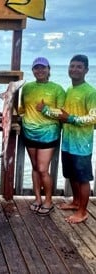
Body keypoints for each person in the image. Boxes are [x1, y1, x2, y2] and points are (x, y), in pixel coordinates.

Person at [37, 54, 96, 223]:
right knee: (72, 175)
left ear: (86, 70)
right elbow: (62, 113)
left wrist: (72, 119)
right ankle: (76, 202)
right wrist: (45, 110)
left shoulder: (91, 92)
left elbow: (94, 117)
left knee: (82, 178)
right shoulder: (70, 90)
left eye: (78, 67)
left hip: (82, 144)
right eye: (72, 66)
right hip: (68, 142)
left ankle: (83, 212)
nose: (74, 69)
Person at [19, 57, 65, 216]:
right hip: (28, 132)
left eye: (43, 68)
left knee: (43, 169)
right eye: (36, 68)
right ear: (32, 70)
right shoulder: (27, 88)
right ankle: (38, 198)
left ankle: (49, 201)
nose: (39, 71)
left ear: (48, 69)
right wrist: (5, 112)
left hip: (48, 134)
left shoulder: (57, 89)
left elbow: (62, 113)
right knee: (35, 168)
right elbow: (22, 109)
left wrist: (45, 109)